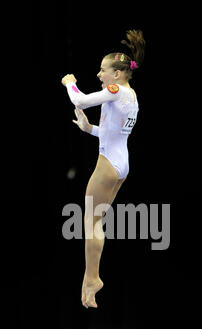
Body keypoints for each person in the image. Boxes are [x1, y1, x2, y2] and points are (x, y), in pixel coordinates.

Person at [61, 30, 145, 309]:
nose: (99, 74)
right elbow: (113, 134)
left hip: (108, 164)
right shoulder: (130, 96)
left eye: (103, 70)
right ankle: (92, 278)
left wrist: (70, 84)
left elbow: (80, 101)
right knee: (95, 222)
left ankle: (92, 278)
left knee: (90, 223)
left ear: (118, 74)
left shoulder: (116, 90)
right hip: (122, 164)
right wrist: (89, 128)